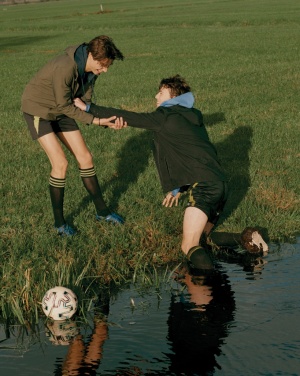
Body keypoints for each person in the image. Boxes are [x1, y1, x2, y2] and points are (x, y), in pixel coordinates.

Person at [74, 74, 268, 269]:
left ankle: (209, 294)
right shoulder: (193, 116)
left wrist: (89, 109)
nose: (156, 97)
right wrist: (178, 188)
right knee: (202, 239)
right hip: (220, 185)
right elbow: (191, 154)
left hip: (205, 188)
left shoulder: (164, 117)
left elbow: (130, 117)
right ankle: (247, 238)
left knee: (189, 246)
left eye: (160, 93)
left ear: (173, 97)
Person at [21, 35, 125, 236]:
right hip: (39, 110)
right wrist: (96, 121)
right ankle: (59, 224)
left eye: (107, 66)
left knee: (85, 158)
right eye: (103, 65)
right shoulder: (65, 67)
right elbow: (65, 105)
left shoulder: (90, 69)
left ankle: (102, 212)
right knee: (60, 164)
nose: (105, 70)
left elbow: (82, 101)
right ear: (92, 56)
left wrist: (105, 121)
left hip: (62, 110)